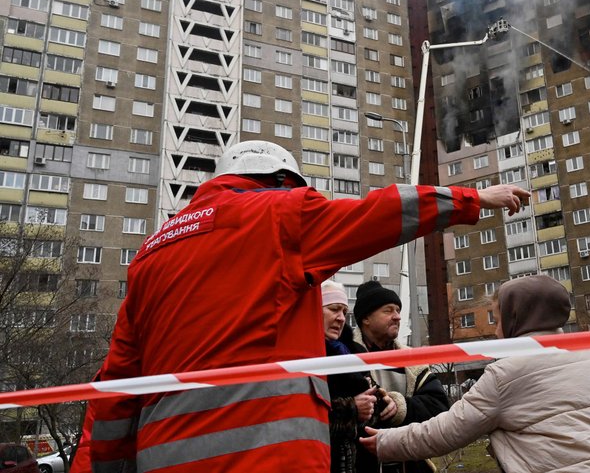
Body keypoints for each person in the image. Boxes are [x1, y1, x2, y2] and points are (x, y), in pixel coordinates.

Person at [72, 140, 530, 473]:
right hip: (270, 457)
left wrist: (111, 468)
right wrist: (473, 198)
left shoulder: (151, 252)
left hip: (162, 459)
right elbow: (377, 213)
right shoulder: (279, 213)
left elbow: (116, 386)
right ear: (282, 181)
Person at [360, 274, 590, 473]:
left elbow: (445, 431)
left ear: (516, 319)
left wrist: (384, 443)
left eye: (498, 320)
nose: (496, 331)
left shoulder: (507, 374)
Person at [351, 280, 448, 473]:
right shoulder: (344, 358)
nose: (397, 317)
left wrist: (401, 406)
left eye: (398, 310)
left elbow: (439, 408)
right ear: (366, 318)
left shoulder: (413, 362)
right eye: (388, 311)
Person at [322, 280, 379, 473]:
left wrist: (381, 400)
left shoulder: (350, 352)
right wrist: (351, 408)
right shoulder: (299, 356)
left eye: (344, 312)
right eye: (334, 309)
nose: (341, 318)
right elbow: (301, 418)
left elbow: (370, 409)